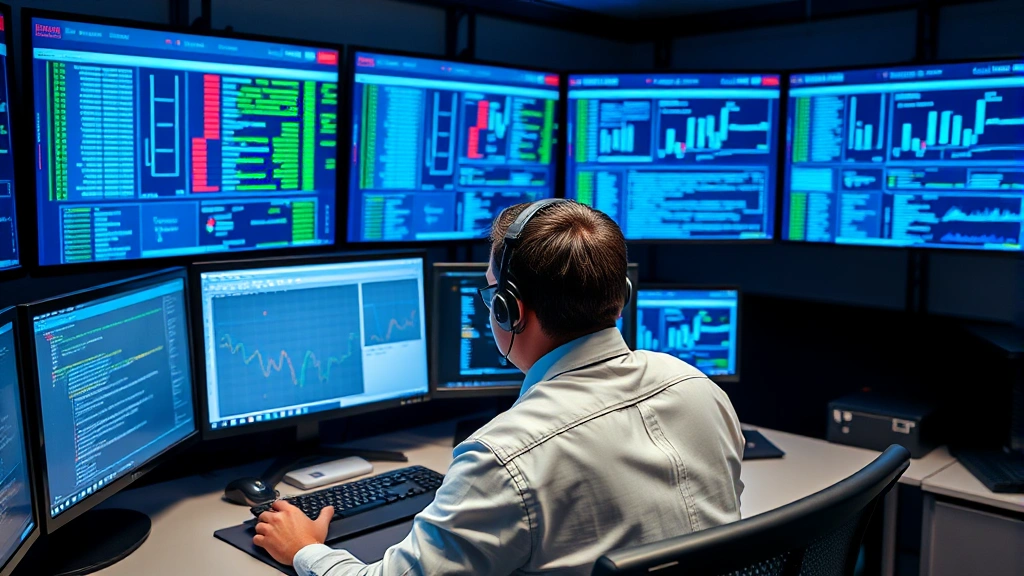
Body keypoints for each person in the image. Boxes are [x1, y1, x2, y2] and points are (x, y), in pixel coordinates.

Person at [254, 199, 745, 575]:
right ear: (622, 299)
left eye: (492, 292)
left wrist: (308, 552)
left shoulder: (505, 457)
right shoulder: (699, 391)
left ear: (511, 311)